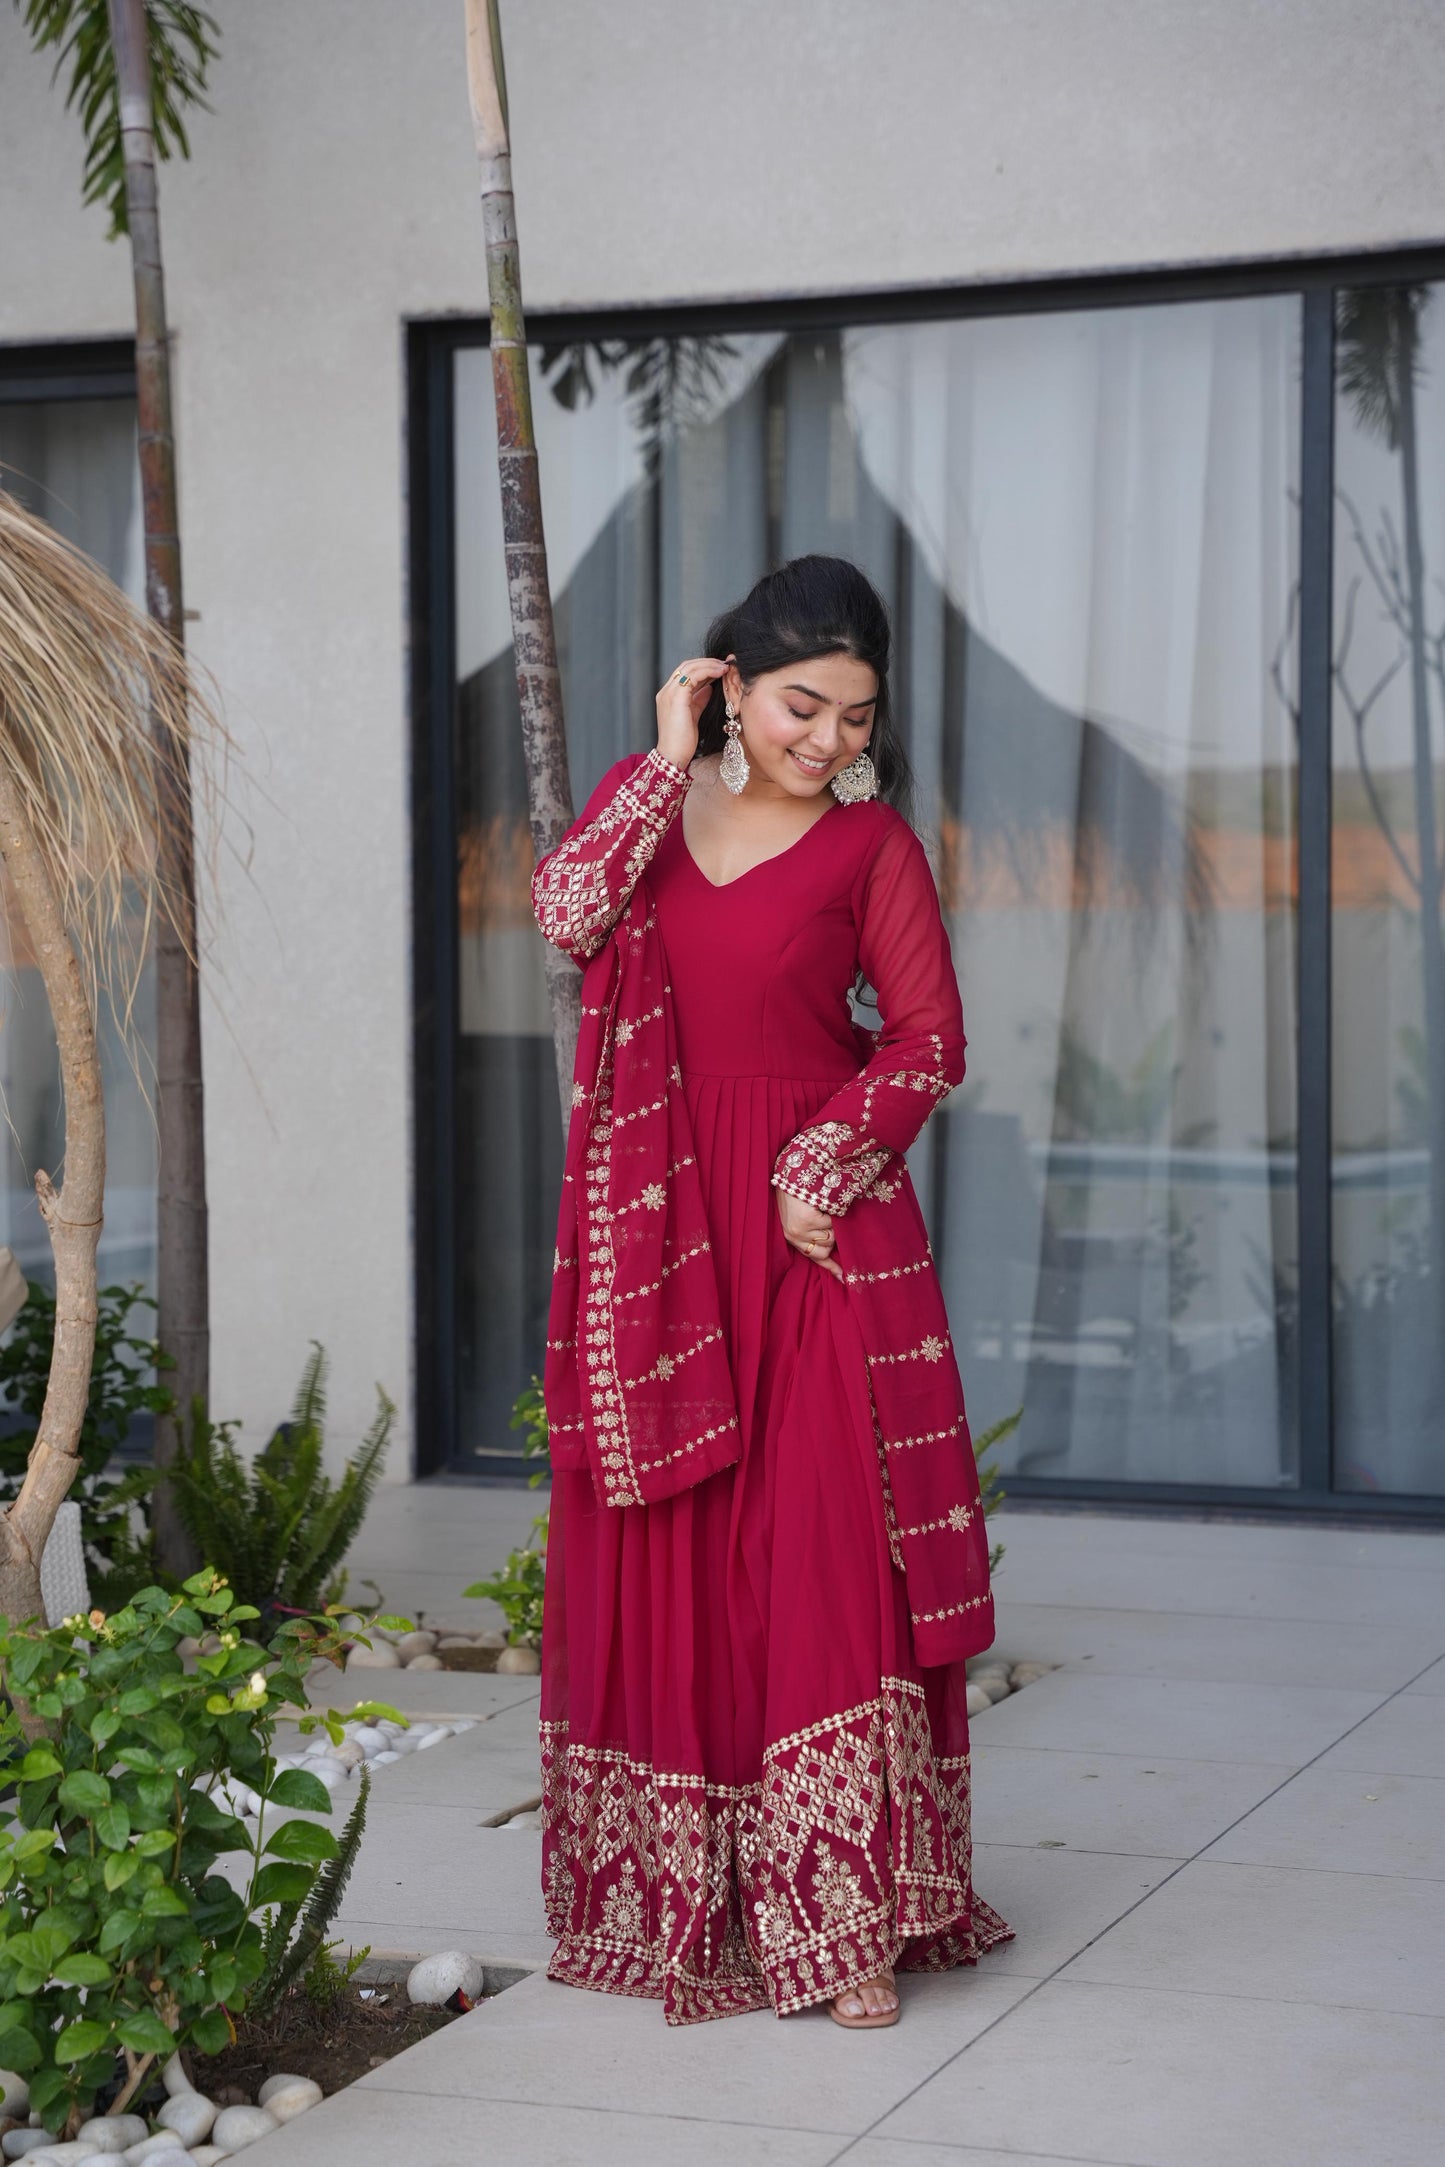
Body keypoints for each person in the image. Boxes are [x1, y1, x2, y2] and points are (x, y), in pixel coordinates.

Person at [530, 554, 1014, 2029]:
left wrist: (824, 1166)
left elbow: (926, 1037)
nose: (830, 739)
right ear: (729, 684)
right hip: (663, 1235)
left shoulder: (871, 855)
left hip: (814, 1230)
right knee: (678, 1550)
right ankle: (690, 1896)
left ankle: (842, 1917)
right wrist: (657, 763)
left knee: (817, 1545)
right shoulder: (647, 818)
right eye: (805, 704)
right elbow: (563, 914)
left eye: (857, 717)